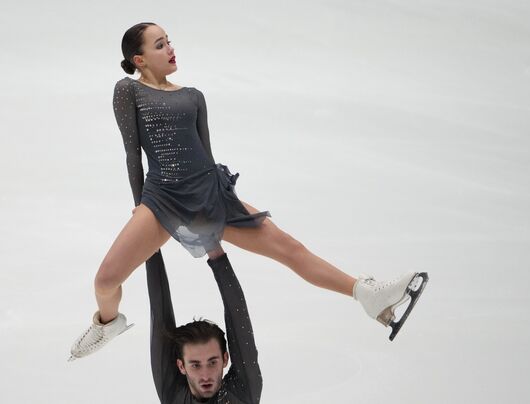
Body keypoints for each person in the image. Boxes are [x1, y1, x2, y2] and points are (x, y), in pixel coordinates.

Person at [69, 22, 428, 361]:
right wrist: (138, 205)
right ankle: (108, 322)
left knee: (289, 248)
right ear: (139, 59)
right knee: (106, 279)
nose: (171, 49)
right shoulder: (128, 90)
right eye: (160, 44)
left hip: (209, 194)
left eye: (170, 41)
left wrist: (219, 202)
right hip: (162, 198)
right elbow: (133, 153)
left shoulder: (194, 96)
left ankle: (367, 294)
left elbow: (206, 156)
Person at [146, 251, 261, 404]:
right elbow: (160, 312)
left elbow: (238, 320)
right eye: (195, 365)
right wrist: (149, 241)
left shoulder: (241, 392)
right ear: (182, 366)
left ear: (225, 359)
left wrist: (214, 249)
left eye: (212, 362)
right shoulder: (174, 395)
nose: (205, 375)